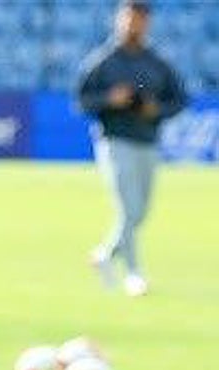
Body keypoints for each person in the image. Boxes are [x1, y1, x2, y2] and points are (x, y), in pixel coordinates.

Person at [77, 0, 187, 297]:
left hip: (147, 141)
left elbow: (178, 100)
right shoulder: (104, 61)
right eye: (128, 19)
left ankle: (105, 254)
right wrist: (109, 101)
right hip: (115, 140)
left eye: (138, 19)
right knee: (128, 209)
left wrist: (155, 109)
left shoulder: (157, 62)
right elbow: (82, 101)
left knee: (140, 213)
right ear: (119, 20)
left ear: (146, 23)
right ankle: (134, 275)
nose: (132, 25)